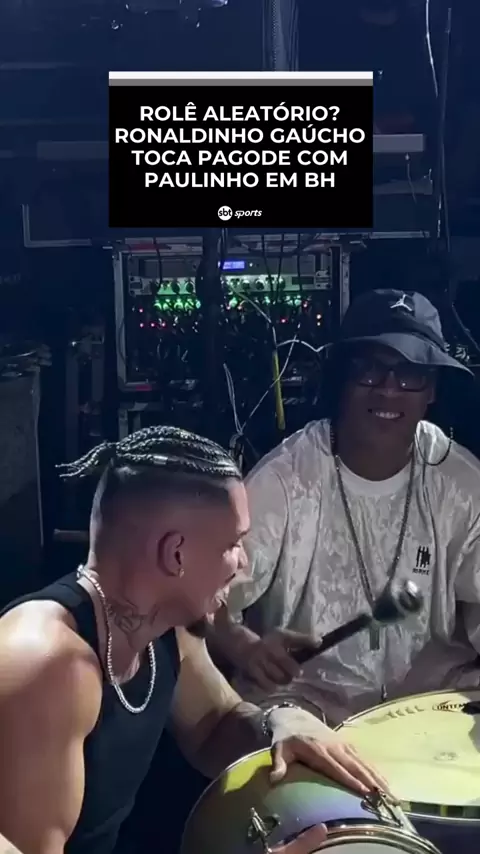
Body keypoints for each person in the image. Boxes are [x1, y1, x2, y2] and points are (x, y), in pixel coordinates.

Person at [0, 427, 385, 854]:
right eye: (234, 544)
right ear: (176, 553)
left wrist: (280, 722)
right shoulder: (46, 665)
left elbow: (214, 724)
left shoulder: (167, 626)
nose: (242, 564)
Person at [209, 289, 480, 726]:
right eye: (370, 370)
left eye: (410, 374)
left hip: (438, 704)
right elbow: (204, 600)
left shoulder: (462, 483)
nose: (388, 388)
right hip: (308, 706)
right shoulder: (284, 478)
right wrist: (244, 646)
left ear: (431, 389)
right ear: (343, 378)